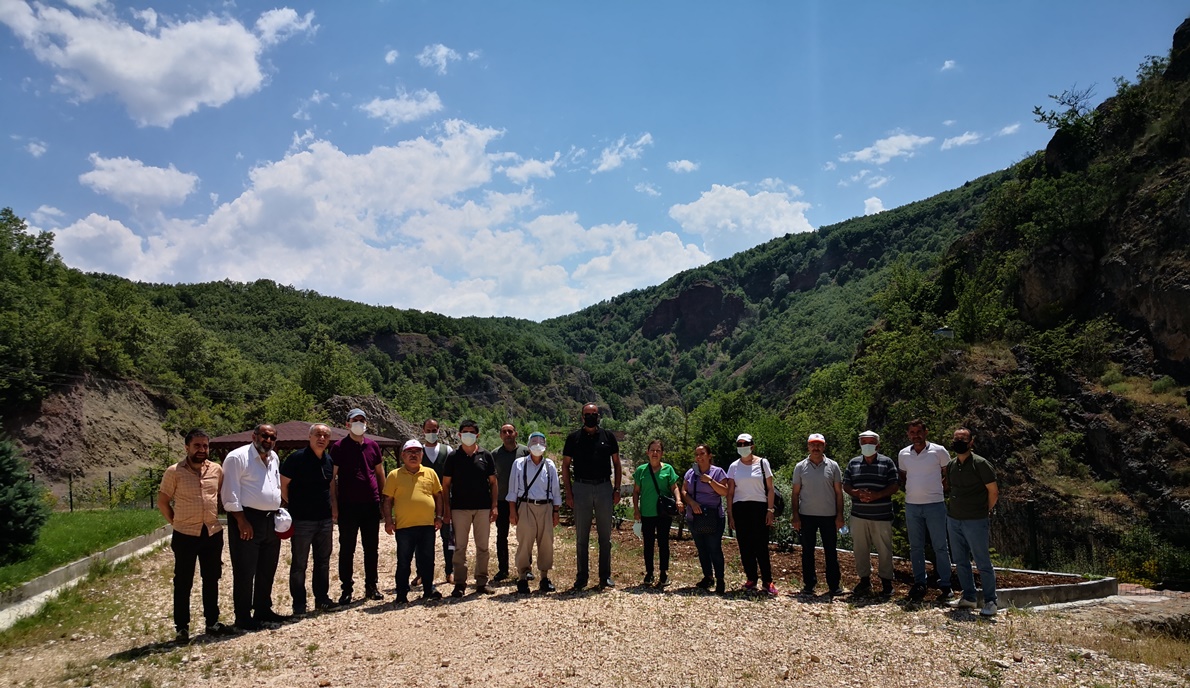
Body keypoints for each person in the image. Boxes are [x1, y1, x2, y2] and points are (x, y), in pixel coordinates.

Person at [158, 429, 236, 643]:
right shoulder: (174, 472)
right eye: (197, 446)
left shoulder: (216, 470)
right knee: (183, 581)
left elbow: (219, 495)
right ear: (186, 447)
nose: (202, 450)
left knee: (211, 579)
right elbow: (163, 502)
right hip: (185, 535)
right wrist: (176, 522)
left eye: (205, 446)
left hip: (212, 533)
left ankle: (212, 623)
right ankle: (182, 628)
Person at [221, 423, 285, 630]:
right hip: (247, 519)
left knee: (267, 567)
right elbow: (230, 494)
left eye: (272, 438)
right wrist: (241, 521)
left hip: (270, 520)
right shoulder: (237, 458)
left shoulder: (274, 457)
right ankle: (242, 616)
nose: (268, 440)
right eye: (264, 436)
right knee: (245, 569)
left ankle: (263, 609)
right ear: (254, 436)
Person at [562, 403, 622, 591]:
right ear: (582, 417)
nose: (590, 417)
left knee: (605, 537)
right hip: (581, 488)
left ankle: (605, 576)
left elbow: (617, 464)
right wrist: (569, 493)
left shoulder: (608, 437)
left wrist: (617, 489)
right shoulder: (573, 438)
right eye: (587, 414)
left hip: (604, 487)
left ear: (598, 416)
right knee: (582, 537)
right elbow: (565, 466)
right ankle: (582, 578)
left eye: (593, 414)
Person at [280, 423, 337, 616]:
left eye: (326, 436)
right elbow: (283, 485)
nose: (322, 438)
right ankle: (299, 603)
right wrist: (294, 505)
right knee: (299, 564)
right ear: (310, 436)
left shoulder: (328, 460)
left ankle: (322, 599)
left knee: (323, 561)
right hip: (302, 520)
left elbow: (329, 486)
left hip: (324, 520)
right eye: (318, 434)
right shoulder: (296, 458)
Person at [331, 408, 386, 604]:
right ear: (347, 424)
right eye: (355, 420)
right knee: (347, 548)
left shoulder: (373, 446)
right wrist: (334, 505)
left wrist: (384, 501)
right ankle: (347, 589)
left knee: (371, 548)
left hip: (371, 504)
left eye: (362, 420)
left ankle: (372, 586)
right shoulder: (338, 447)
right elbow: (332, 478)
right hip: (348, 505)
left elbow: (380, 474)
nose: (359, 423)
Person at [945, 427, 1000, 617]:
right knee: (960, 561)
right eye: (956, 438)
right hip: (954, 519)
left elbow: (993, 491)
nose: (959, 441)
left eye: (963, 438)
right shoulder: (952, 465)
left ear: (971, 442)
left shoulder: (980, 464)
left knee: (982, 561)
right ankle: (968, 597)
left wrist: (984, 511)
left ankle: (991, 601)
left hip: (975, 520)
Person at [382, 440, 445, 603]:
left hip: (427, 526)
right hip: (404, 527)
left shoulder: (430, 473)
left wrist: (439, 517)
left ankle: (428, 590)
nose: (413, 455)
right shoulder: (394, 475)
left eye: (417, 451)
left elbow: (438, 496)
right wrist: (388, 521)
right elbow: (387, 500)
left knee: (427, 560)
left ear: (422, 455)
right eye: (409, 452)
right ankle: (401, 594)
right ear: (403, 455)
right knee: (403, 561)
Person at [441, 419, 499, 597]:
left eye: (471, 432)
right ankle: (460, 583)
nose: (468, 435)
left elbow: (493, 483)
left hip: (482, 508)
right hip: (459, 509)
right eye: (464, 432)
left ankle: (482, 582)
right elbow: (446, 485)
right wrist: (447, 509)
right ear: (459, 435)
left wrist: (494, 506)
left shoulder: (486, 455)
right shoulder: (452, 457)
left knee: (483, 547)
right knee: (460, 547)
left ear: (477, 435)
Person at [899, 419, 953, 602]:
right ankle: (919, 583)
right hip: (912, 506)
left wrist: (941, 487)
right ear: (908, 434)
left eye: (919, 431)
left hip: (935, 505)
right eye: (912, 432)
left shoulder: (939, 451)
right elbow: (904, 476)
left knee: (940, 546)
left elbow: (949, 473)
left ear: (925, 432)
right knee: (916, 547)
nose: (916, 435)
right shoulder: (904, 454)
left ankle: (945, 584)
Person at [842, 430, 900, 597]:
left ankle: (886, 583)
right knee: (860, 549)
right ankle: (864, 581)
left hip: (881, 515)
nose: (867, 445)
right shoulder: (853, 463)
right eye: (864, 442)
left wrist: (877, 495)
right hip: (859, 515)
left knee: (884, 549)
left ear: (878, 445)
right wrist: (857, 493)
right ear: (860, 444)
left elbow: (894, 485)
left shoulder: (887, 463)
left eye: (870, 442)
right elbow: (846, 485)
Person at [507, 432, 561, 594]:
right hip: (525, 506)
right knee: (524, 543)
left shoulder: (549, 465)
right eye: (534, 441)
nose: (537, 444)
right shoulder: (519, 464)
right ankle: (522, 577)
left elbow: (556, 490)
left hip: (546, 507)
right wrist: (512, 512)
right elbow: (512, 490)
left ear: (545, 445)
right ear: (529, 444)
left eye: (541, 441)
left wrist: (556, 511)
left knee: (546, 543)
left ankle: (544, 577)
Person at [791, 433, 845, 597]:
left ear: (824, 446)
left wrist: (840, 515)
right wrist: (795, 516)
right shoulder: (800, 467)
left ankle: (834, 586)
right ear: (808, 446)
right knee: (807, 551)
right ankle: (809, 584)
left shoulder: (833, 466)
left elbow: (838, 493)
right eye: (813, 444)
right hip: (806, 516)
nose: (816, 448)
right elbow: (795, 494)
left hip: (829, 516)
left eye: (819, 444)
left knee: (831, 551)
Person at [726, 433, 777, 596]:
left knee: (761, 546)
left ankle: (767, 581)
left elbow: (770, 488)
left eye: (745, 444)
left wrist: (770, 510)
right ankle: (751, 579)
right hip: (740, 509)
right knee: (745, 546)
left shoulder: (763, 463)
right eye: (739, 444)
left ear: (752, 446)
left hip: (760, 508)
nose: (742, 447)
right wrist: (730, 514)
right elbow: (730, 492)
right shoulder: (733, 466)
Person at [632, 439, 683, 587]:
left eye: (658, 450)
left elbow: (674, 487)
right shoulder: (641, 470)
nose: (655, 453)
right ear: (647, 452)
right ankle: (649, 573)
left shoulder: (668, 469)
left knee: (663, 543)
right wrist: (636, 510)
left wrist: (678, 499)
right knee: (648, 544)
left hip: (663, 513)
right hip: (647, 513)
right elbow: (636, 492)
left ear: (662, 453)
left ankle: (663, 573)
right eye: (652, 450)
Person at [681, 444, 728, 594]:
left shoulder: (718, 472)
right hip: (694, 517)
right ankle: (708, 577)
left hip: (714, 516)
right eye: (697, 454)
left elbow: (724, 491)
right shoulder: (690, 473)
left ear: (709, 456)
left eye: (702, 454)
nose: (699, 457)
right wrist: (691, 502)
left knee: (714, 548)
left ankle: (720, 580)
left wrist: (710, 481)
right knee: (702, 549)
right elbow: (683, 490)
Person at [491, 423, 528, 582]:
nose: (507, 434)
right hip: (502, 500)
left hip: (522, 501)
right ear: (501, 435)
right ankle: (503, 569)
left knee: (525, 536)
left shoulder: (525, 452)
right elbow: (491, 480)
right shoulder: (495, 454)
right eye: (504, 432)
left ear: (516, 434)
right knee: (501, 536)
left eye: (510, 431)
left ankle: (526, 568)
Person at [420, 418, 454, 585]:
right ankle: (421, 572)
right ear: (422, 431)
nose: (431, 433)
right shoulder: (418, 451)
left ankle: (450, 571)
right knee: (422, 539)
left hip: (446, 500)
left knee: (448, 537)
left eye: (434, 430)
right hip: (423, 502)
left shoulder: (447, 450)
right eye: (428, 430)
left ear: (439, 431)